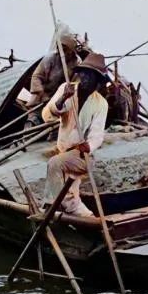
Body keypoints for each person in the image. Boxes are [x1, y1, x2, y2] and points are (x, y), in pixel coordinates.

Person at [40, 53, 112, 217]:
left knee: (54, 164)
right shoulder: (66, 89)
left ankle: (51, 207)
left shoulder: (101, 103)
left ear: (98, 81)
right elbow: (48, 115)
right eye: (83, 73)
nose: (84, 78)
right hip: (63, 150)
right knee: (69, 195)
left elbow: (97, 135)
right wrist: (63, 98)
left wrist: (88, 146)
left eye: (90, 76)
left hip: (81, 156)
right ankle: (87, 218)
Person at [29, 31, 85, 106]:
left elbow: (75, 83)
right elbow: (37, 76)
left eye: (65, 49)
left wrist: (64, 96)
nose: (61, 51)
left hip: (61, 99)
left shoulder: (77, 62)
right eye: (60, 48)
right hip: (42, 96)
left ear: (71, 50)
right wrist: (40, 93)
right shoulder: (50, 58)